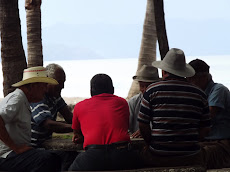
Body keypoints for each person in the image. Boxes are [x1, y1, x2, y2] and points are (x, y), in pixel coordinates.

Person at [138, 48, 211, 168]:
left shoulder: (152, 91)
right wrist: (189, 143)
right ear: (184, 72)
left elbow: (142, 124)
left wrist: (151, 143)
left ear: (163, 71)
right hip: (191, 155)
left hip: (158, 154)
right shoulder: (199, 94)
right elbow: (206, 128)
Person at [69, 74, 139, 171]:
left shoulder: (79, 106)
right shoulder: (122, 103)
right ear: (113, 89)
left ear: (91, 90)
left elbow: (77, 134)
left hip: (93, 155)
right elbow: (123, 125)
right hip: (122, 154)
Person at [0, 66, 61, 172]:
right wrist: (15, 148)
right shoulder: (17, 99)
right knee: (48, 159)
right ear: (33, 86)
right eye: (44, 85)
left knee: (55, 156)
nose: (46, 89)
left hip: (12, 154)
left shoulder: (22, 99)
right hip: (6, 155)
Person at [30, 63, 76, 171]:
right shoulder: (38, 98)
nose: (62, 86)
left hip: (43, 145)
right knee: (60, 158)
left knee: (70, 155)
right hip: (31, 148)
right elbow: (48, 124)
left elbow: (70, 117)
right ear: (47, 81)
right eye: (59, 82)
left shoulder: (56, 97)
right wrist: (76, 127)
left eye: (63, 82)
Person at [188, 59, 230, 169]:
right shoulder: (197, 94)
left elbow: (208, 115)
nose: (189, 82)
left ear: (204, 78)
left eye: (192, 79)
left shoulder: (219, 90)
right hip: (205, 142)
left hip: (221, 143)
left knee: (195, 156)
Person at [128, 65, 159, 138]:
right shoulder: (133, 102)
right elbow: (126, 126)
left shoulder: (162, 101)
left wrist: (146, 131)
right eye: (142, 86)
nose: (145, 90)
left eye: (148, 86)